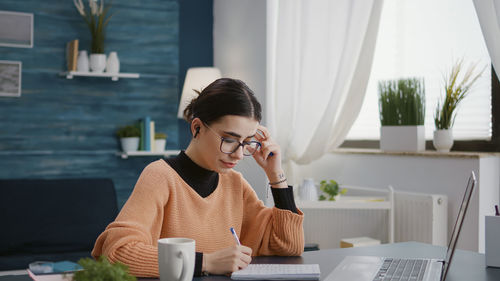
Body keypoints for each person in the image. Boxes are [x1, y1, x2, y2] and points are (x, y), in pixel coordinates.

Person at [92, 78, 304, 277]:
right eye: (230, 140)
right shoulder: (159, 176)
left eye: (247, 142)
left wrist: (275, 174)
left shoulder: (235, 184)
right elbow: (117, 254)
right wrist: (205, 262)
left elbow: (289, 246)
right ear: (197, 128)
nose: (239, 154)